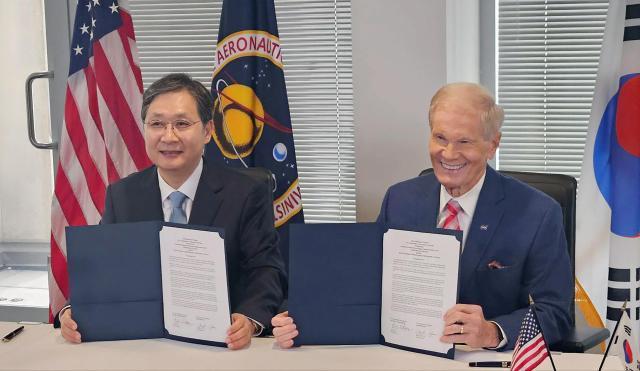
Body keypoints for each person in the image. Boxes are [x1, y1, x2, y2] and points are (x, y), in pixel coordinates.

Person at [272, 82, 572, 350]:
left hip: (480, 359)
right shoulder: (399, 199)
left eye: (464, 142)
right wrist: (305, 317)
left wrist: (493, 332)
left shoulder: (538, 212)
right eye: (440, 137)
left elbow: (555, 312)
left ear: (493, 144)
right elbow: (366, 285)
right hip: (405, 356)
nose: (449, 153)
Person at [57, 73, 286, 350]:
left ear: (208, 131)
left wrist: (248, 319)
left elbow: (266, 269)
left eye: (181, 123)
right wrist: (74, 309)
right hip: (144, 344)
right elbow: (106, 271)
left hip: (220, 343)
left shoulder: (246, 193)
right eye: (156, 124)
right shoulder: (122, 195)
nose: (168, 136)